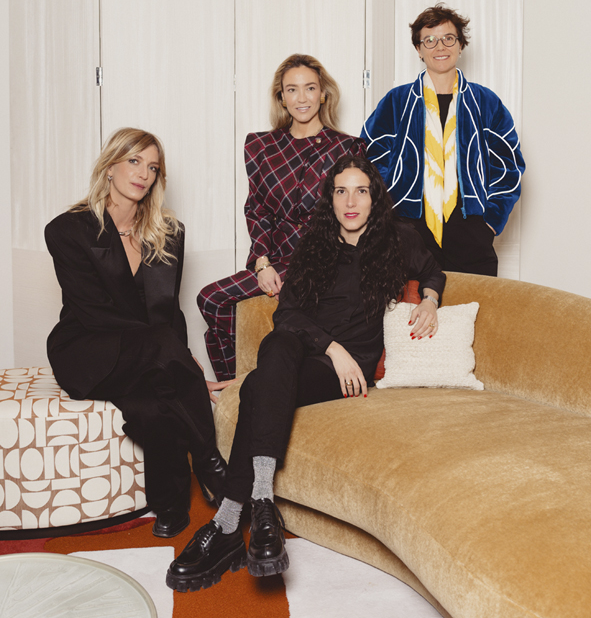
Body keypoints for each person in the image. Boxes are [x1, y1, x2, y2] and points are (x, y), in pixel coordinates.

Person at [166, 154, 445, 592]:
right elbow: (288, 315)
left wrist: (429, 299)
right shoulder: (314, 246)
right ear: (329, 199)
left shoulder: (397, 240)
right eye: (341, 192)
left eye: (360, 191)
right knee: (277, 346)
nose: (350, 202)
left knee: (257, 386)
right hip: (316, 354)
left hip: (346, 374)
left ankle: (226, 525)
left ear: (374, 198)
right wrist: (333, 348)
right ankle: (262, 503)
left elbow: (432, 270)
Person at [45, 128, 232, 539]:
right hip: (86, 351)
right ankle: (209, 461)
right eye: (134, 161)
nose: (143, 173)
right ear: (110, 166)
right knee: (164, 356)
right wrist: (175, 359)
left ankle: (170, 505)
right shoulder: (68, 230)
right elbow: (94, 315)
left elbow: (168, 312)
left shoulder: (169, 232)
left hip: (145, 354)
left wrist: (176, 358)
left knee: (154, 406)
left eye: (153, 167)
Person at [198, 54, 366, 382]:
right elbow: (257, 208)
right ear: (281, 97)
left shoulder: (347, 148)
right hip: (275, 256)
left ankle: (253, 384)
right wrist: (261, 262)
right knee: (211, 299)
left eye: (310, 88)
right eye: (292, 89)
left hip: (323, 255)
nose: (302, 98)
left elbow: (354, 212)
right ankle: (234, 385)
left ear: (323, 94)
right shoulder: (261, 145)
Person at [361, 3, 526, 276]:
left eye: (449, 38)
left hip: (470, 226)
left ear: (460, 45)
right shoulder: (397, 101)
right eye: (430, 40)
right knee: (410, 301)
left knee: (475, 301)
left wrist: (489, 222)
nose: (440, 47)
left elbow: (509, 166)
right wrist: (391, 209)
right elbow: (370, 158)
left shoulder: (485, 101)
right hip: (409, 225)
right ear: (418, 49)